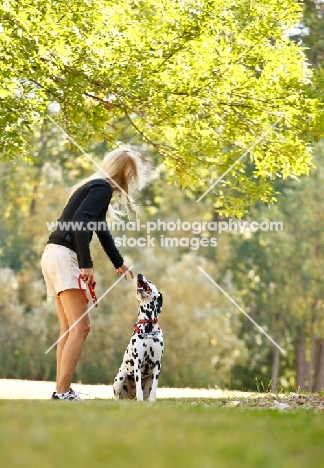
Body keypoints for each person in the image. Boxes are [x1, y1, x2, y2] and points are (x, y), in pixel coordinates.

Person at [41, 146, 142, 400]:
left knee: (68, 327)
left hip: (52, 254)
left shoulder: (93, 187)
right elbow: (79, 225)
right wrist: (86, 265)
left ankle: (61, 390)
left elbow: (101, 230)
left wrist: (118, 262)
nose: (130, 180)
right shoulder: (102, 188)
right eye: (130, 174)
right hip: (65, 256)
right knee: (81, 326)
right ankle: (62, 392)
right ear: (123, 172)